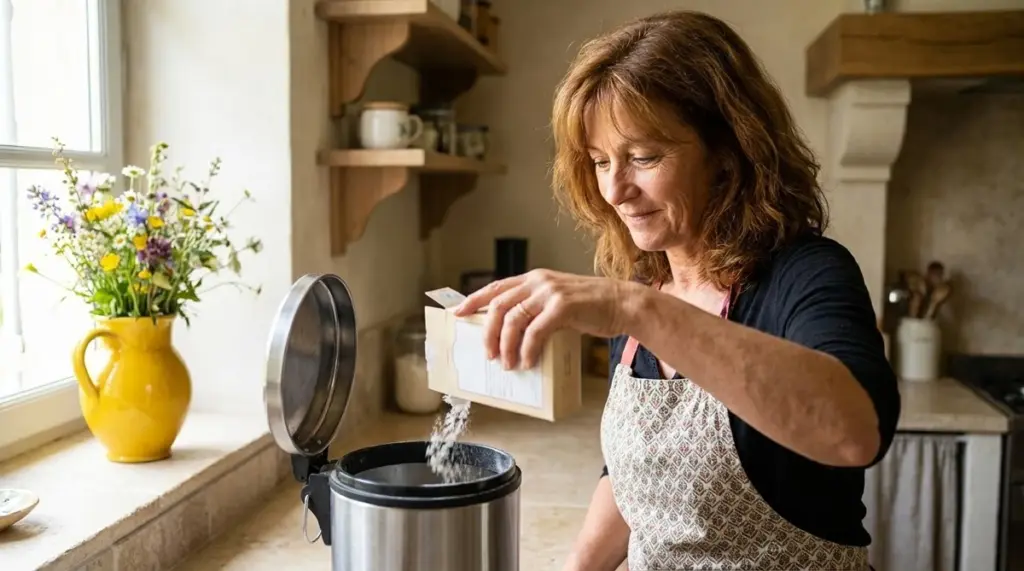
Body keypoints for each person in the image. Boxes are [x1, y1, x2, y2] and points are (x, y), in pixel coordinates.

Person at [453, 9, 900, 571]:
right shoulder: (646, 289)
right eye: (599, 162)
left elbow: (855, 433)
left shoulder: (806, 274)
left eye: (644, 157)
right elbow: (636, 479)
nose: (616, 189)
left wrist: (634, 308)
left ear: (728, 151)